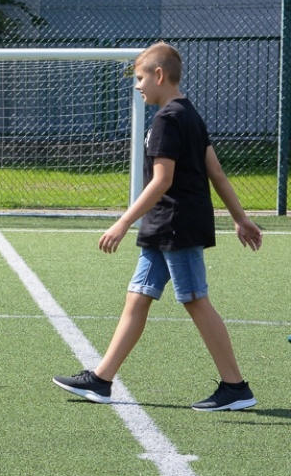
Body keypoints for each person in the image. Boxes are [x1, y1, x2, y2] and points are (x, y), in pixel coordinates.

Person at [53, 41, 262, 411]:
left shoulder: (167, 119)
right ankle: (102, 379)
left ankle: (236, 387)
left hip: (175, 223)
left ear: (159, 75)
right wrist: (240, 217)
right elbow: (216, 172)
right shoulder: (190, 114)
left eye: (140, 78)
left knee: (195, 299)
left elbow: (162, 180)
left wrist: (122, 223)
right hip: (166, 225)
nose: (137, 86)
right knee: (138, 296)